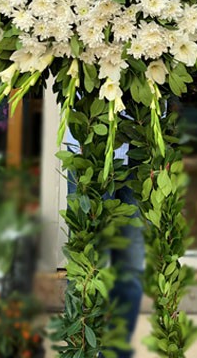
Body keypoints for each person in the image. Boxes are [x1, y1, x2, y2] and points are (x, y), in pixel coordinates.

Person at [64, 126, 144, 358]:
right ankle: (85, 351)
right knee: (86, 266)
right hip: (88, 145)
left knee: (129, 267)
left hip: (140, 149)